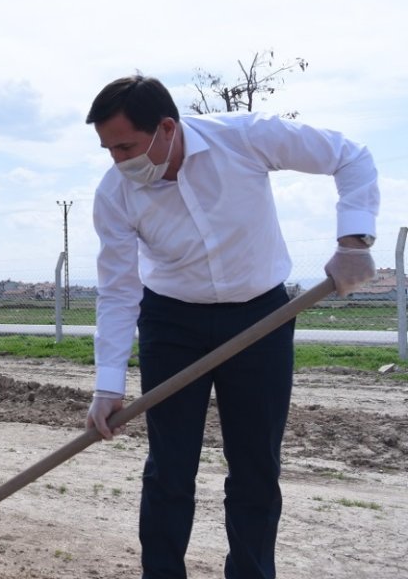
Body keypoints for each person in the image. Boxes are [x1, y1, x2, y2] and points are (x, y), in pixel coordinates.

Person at [83, 75, 378, 578]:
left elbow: (349, 155)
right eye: (108, 149)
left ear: (167, 127)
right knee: (169, 469)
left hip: (261, 318)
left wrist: (354, 240)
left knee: (256, 470)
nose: (118, 160)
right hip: (172, 324)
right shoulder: (115, 195)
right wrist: (108, 384)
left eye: (126, 146)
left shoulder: (243, 137)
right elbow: (117, 290)